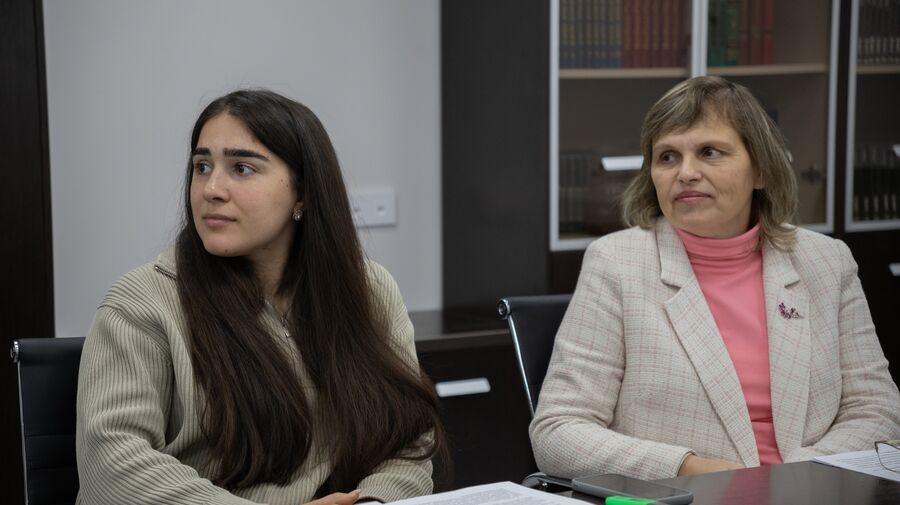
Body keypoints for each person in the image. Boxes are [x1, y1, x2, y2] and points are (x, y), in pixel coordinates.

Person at [76, 89, 446, 505]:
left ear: (302, 193)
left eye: (242, 168)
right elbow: (110, 469)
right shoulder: (139, 305)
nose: (211, 189)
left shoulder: (370, 290)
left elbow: (407, 440)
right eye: (202, 166)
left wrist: (370, 502)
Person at [529, 76, 900, 481]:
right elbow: (558, 432)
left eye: (709, 152)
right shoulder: (617, 263)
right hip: (690, 495)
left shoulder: (826, 260)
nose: (686, 172)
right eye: (667, 157)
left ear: (761, 170)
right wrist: (693, 470)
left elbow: (877, 409)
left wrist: (795, 479)